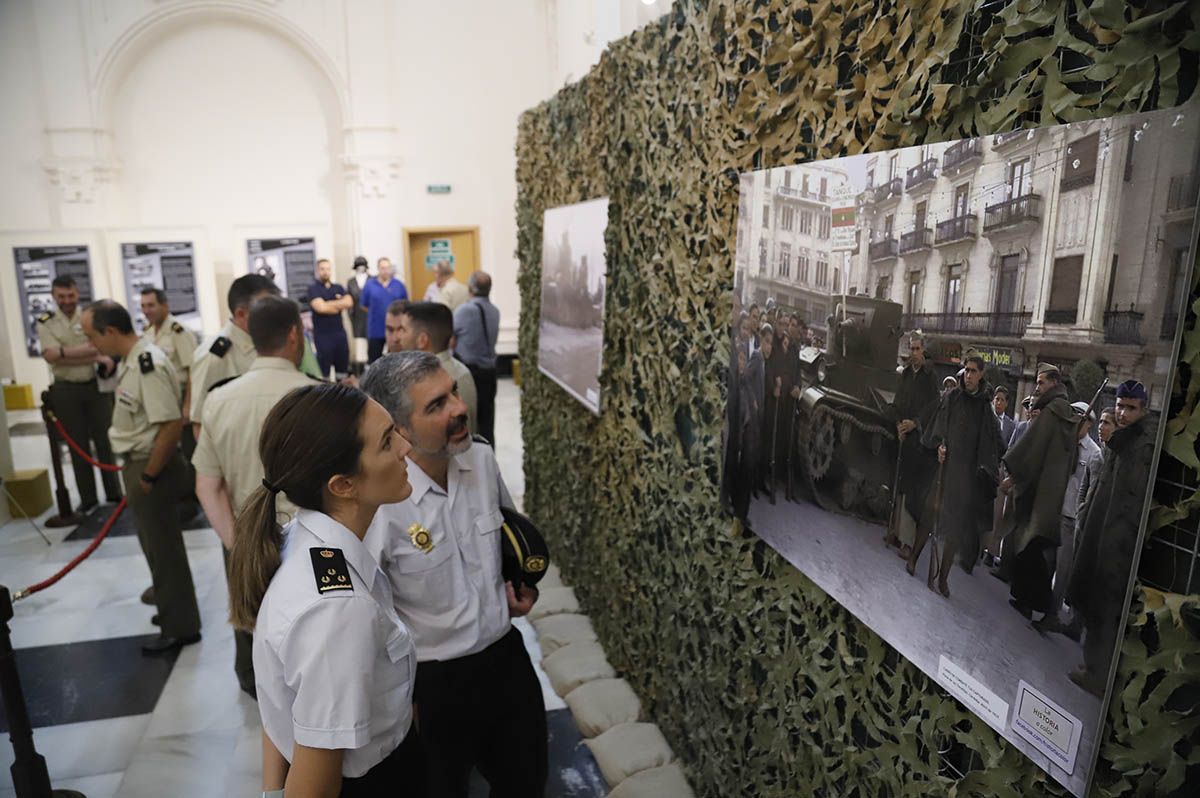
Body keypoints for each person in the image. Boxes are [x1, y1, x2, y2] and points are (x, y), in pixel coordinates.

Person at [360, 353, 546, 797]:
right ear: (399, 430)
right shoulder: (381, 502)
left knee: (526, 782)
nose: (458, 408)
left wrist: (516, 588)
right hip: (433, 685)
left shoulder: (479, 458)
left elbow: (504, 534)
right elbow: (367, 610)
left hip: (505, 660)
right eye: (436, 405)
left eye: (454, 393)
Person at [227, 383, 424, 794]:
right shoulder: (336, 608)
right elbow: (315, 778)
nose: (406, 447)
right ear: (342, 485)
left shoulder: (305, 540)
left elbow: (285, 708)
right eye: (387, 442)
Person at [192, 296, 316, 697]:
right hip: (312, 541)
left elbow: (207, 486)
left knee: (254, 631)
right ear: (295, 335)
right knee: (312, 639)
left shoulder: (219, 399)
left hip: (245, 534)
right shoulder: (317, 397)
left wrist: (237, 543)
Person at [81, 300, 201, 653]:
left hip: (152, 465)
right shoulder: (133, 361)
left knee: (164, 550)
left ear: (111, 331)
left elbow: (169, 425)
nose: (92, 345)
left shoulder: (148, 363)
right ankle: (170, 610)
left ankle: (181, 626)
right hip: (143, 463)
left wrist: (148, 477)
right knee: (153, 546)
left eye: (92, 337)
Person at [1066, 380, 1155, 697]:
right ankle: (1092, 668)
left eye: (1130, 408)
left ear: (1143, 409)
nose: (1123, 412)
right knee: (1094, 603)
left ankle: (1097, 674)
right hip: (1101, 535)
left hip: (1117, 544)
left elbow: (1132, 500)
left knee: (1105, 610)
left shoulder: (1141, 446)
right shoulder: (1120, 441)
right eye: (1120, 406)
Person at [907, 354, 1002, 597]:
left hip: (966, 478)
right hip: (944, 470)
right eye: (966, 370)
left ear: (981, 374)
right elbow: (939, 426)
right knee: (928, 516)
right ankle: (913, 559)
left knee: (955, 531)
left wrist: (983, 465)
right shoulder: (953, 397)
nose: (968, 375)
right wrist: (940, 446)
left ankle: (944, 579)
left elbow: (993, 444)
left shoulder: (985, 409)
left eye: (973, 371)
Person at [36, 275, 122, 512]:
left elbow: (96, 346)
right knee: (78, 444)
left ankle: (114, 493)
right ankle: (88, 498)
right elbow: (50, 355)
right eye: (61, 296)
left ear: (77, 294)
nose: (66, 301)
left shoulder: (89, 317)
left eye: (70, 295)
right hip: (66, 389)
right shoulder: (46, 322)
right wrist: (87, 353)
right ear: (54, 296)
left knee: (106, 440)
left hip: (95, 386)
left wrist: (64, 352)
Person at [1002, 363, 1078, 621]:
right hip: (1049, 490)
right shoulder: (1066, 412)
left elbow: (1032, 448)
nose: (1037, 387)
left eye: (1041, 382)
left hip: (1040, 490)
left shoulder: (1051, 412)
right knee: (1033, 546)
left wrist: (1013, 470)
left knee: (1030, 545)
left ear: (1054, 383)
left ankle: (1032, 602)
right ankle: (1028, 599)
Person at [1035, 401, 1103, 638]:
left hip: (1071, 520)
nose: (1075, 422)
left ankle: (1052, 615)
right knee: (1046, 563)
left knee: (1063, 572)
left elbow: (1090, 492)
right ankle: (1043, 608)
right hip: (1054, 511)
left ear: (1089, 423)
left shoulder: (1094, 454)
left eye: (1081, 419)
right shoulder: (1063, 443)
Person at [189, 274, 279, 434]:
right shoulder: (215, 356)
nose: (274, 316)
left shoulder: (268, 342)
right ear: (241, 314)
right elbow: (200, 423)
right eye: (265, 309)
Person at [386, 300, 478, 434]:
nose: (398, 337)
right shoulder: (461, 371)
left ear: (422, 340)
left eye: (403, 330)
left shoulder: (428, 381)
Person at [887, 333, 939, 560]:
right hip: (904, 437)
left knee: (911, 492)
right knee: (899, 485)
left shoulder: (930, 376)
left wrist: (915, 424)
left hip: (920, 441)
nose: (914, 354)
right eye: (912, 349)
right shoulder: (906, 374)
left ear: (923, 351)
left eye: (918, 349)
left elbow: (933, 406)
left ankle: (908, 542)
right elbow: (898, 402)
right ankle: (895, 532)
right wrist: (899, 425)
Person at [452, 271, 500, 445]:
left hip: (471, 373)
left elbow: (450, 337)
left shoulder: (464, 310)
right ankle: (488, 459)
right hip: (491, 373)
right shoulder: (495, 311)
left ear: (471, 288)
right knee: (488, 422)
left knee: (469, 422)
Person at [139, 288, 196, 402]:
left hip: (178, 395)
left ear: (165, 306)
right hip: (157, 394)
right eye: (143, 306)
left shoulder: (179, 332)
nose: (146, 311)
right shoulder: (148, 331)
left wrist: (188, 405)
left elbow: (193, 370)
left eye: (151, 305)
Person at [305, 258, 352, 379]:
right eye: (322, 269)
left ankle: (341, 397)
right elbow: (320, 308)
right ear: (317, 271)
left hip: (340, 336)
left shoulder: (338, 287)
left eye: (327, 269)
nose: (325, 272)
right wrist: (338, 304)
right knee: (323, 375)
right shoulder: (313, 289)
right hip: (323, 337)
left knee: (342, 374)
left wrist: (327, 304)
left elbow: (349, 302)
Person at [360, 257, 408, 364]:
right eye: (382, 268)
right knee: (374, 362)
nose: (385, 271)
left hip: (396, 331)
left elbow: (406, 306)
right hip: (375, 330)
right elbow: (364, 305)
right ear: (378, 269)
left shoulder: (399, 285)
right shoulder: (369, 285)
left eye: (387, 268)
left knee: (396, 360)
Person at [992, 385, 1016, 452]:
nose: (999, 403)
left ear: (1006, 403)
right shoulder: (985, 418)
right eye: (997, 399)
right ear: (993, 400)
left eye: (1002, 400)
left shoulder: (1011, 425)